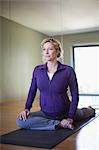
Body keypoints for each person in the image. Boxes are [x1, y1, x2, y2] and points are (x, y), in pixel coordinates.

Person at [16, 38, 95, 130]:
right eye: (44, 49)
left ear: (57, 52)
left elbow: (75, 95)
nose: (46, 52)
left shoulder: (68, 70)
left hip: (66, 112)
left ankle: (89, 109)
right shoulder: (37, 70)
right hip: (46, 114)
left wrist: (70, 117)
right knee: (20, 120)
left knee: (85, 113)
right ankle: (59, 124)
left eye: (50, 49)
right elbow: (32, 91)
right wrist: (26, 109)